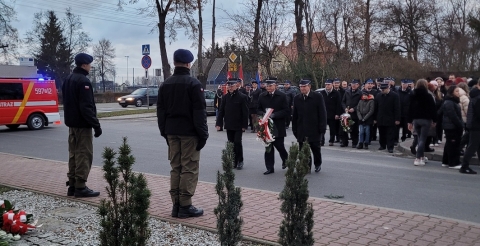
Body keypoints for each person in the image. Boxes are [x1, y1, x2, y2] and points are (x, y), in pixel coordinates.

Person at [157, 49, 209, 218]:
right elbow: (199, 112)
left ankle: (176, 205)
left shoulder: (166, 84)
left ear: (174, 63)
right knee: (189, 168)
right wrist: (203, 135)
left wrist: (164, 132)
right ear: (188, 64)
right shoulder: (194, 84)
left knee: (175, 168)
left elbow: (161, 112)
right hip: (189, 133)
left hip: (172, 132)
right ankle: (185, 205)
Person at [62, 53, 102, 198]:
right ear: (84, 65)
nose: (90, 67)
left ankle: (72, 185)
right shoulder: (83, 81)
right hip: (83, 125)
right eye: (89, 64)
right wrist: (96, 125)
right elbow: (86, 107)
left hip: (72, 124)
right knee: (84, 155)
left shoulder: (68, 79)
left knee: (73, 154)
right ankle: (81, 186)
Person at [292, 79, 327, 173]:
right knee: (303, 150)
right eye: (301, 87)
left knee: (315, 148)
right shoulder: (297, 98)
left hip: (314, 129)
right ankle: (306, 166)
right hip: (301, 129)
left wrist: (322, 128)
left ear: (309, 87)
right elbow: (295, 115)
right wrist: (294, 129)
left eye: (304, 86)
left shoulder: (317, 97)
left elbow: (322, 113)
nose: (302, 88)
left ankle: (317, 163)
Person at [257, 78, 289, 175]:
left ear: (276, 86)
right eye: (267, 86)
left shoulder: (282, 96)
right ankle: (270, 167)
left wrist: (274, 115)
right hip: (266, 126)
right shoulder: (262, 96)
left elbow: (286, 110)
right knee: (268, 148)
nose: (268, 87)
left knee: (280, 146)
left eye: (270, 86)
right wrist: (263, 115)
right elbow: (258, 109)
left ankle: (285, 159)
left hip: (278, 125)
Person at [216, 80, 249, 170]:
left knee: (237, 142)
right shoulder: (225, 97)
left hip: (238, 125)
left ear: (236, 86)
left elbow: (245, 112)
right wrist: (219, 123)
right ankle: (234, 161)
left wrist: (244, 125)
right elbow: (221, 111)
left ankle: (240, 160)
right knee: (231, 143)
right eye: (229, 86)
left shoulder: (242, 97)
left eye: (232, 86)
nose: (230, 87)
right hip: (229, 124)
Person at [408, 79, 437, 166]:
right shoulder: (428, 96)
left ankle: (421, 156)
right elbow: (433, 109)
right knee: (422, 139)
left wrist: (409, 121)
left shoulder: (412, 95)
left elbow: (409, 109)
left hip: (416, 119)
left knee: (419, 137)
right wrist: (435, 120)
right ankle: (418, 158)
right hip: (426, 119)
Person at [440, 85, 464, 169]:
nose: (458, 93)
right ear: (452, 92)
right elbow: (453, 116)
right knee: (453, 145)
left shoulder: (453, 101)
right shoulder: (449, 102)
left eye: (459, 91)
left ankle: (446, 161)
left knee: (449, 144)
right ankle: (453, 162)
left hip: (451, 126)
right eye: (456, 91)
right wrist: (460, 125)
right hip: (451, 127)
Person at [460, 80, 480, 174]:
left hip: (474, 124)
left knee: (477, 145)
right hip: (476, 125)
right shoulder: (478, 97)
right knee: (473, 146)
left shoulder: (475, 95)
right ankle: (464, 166)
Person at [374, 82, 400, 153]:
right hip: (380, 118)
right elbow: (376, 108)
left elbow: (397, 108)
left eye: (384, 89)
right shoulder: (378, 96)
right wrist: (375, 118)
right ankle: (382, 145)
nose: (382, 91)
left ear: (388, 88)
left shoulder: (394, 96)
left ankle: (390, 147)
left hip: (390, 118)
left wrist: (397, 119)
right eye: (381, 89)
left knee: (390, 134)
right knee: (381, 133)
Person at [320, 79, 342, 146]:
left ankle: (331, 140)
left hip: (332, 114)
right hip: (324, 114)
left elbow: (338, 104)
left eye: (328, 84)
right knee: (322, 128)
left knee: (332, 129)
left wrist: (337, 114)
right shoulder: (322, 93)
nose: (327, 86)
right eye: (326, 84)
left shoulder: (336, 93)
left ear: (332, 84)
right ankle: (321, 140)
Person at [341, 79, 362, 148]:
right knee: (345, 129)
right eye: (352, 84)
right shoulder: (347, 92)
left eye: (355, 84)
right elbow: (343, 102)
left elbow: (361, 103)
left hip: (355, 114)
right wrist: (345, 108)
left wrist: (354, 109)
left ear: (358, 85)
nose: (353, 85)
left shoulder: (360, 93)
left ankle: (354, 142)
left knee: (354, 130)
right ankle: (345, 142)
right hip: (347, 114)